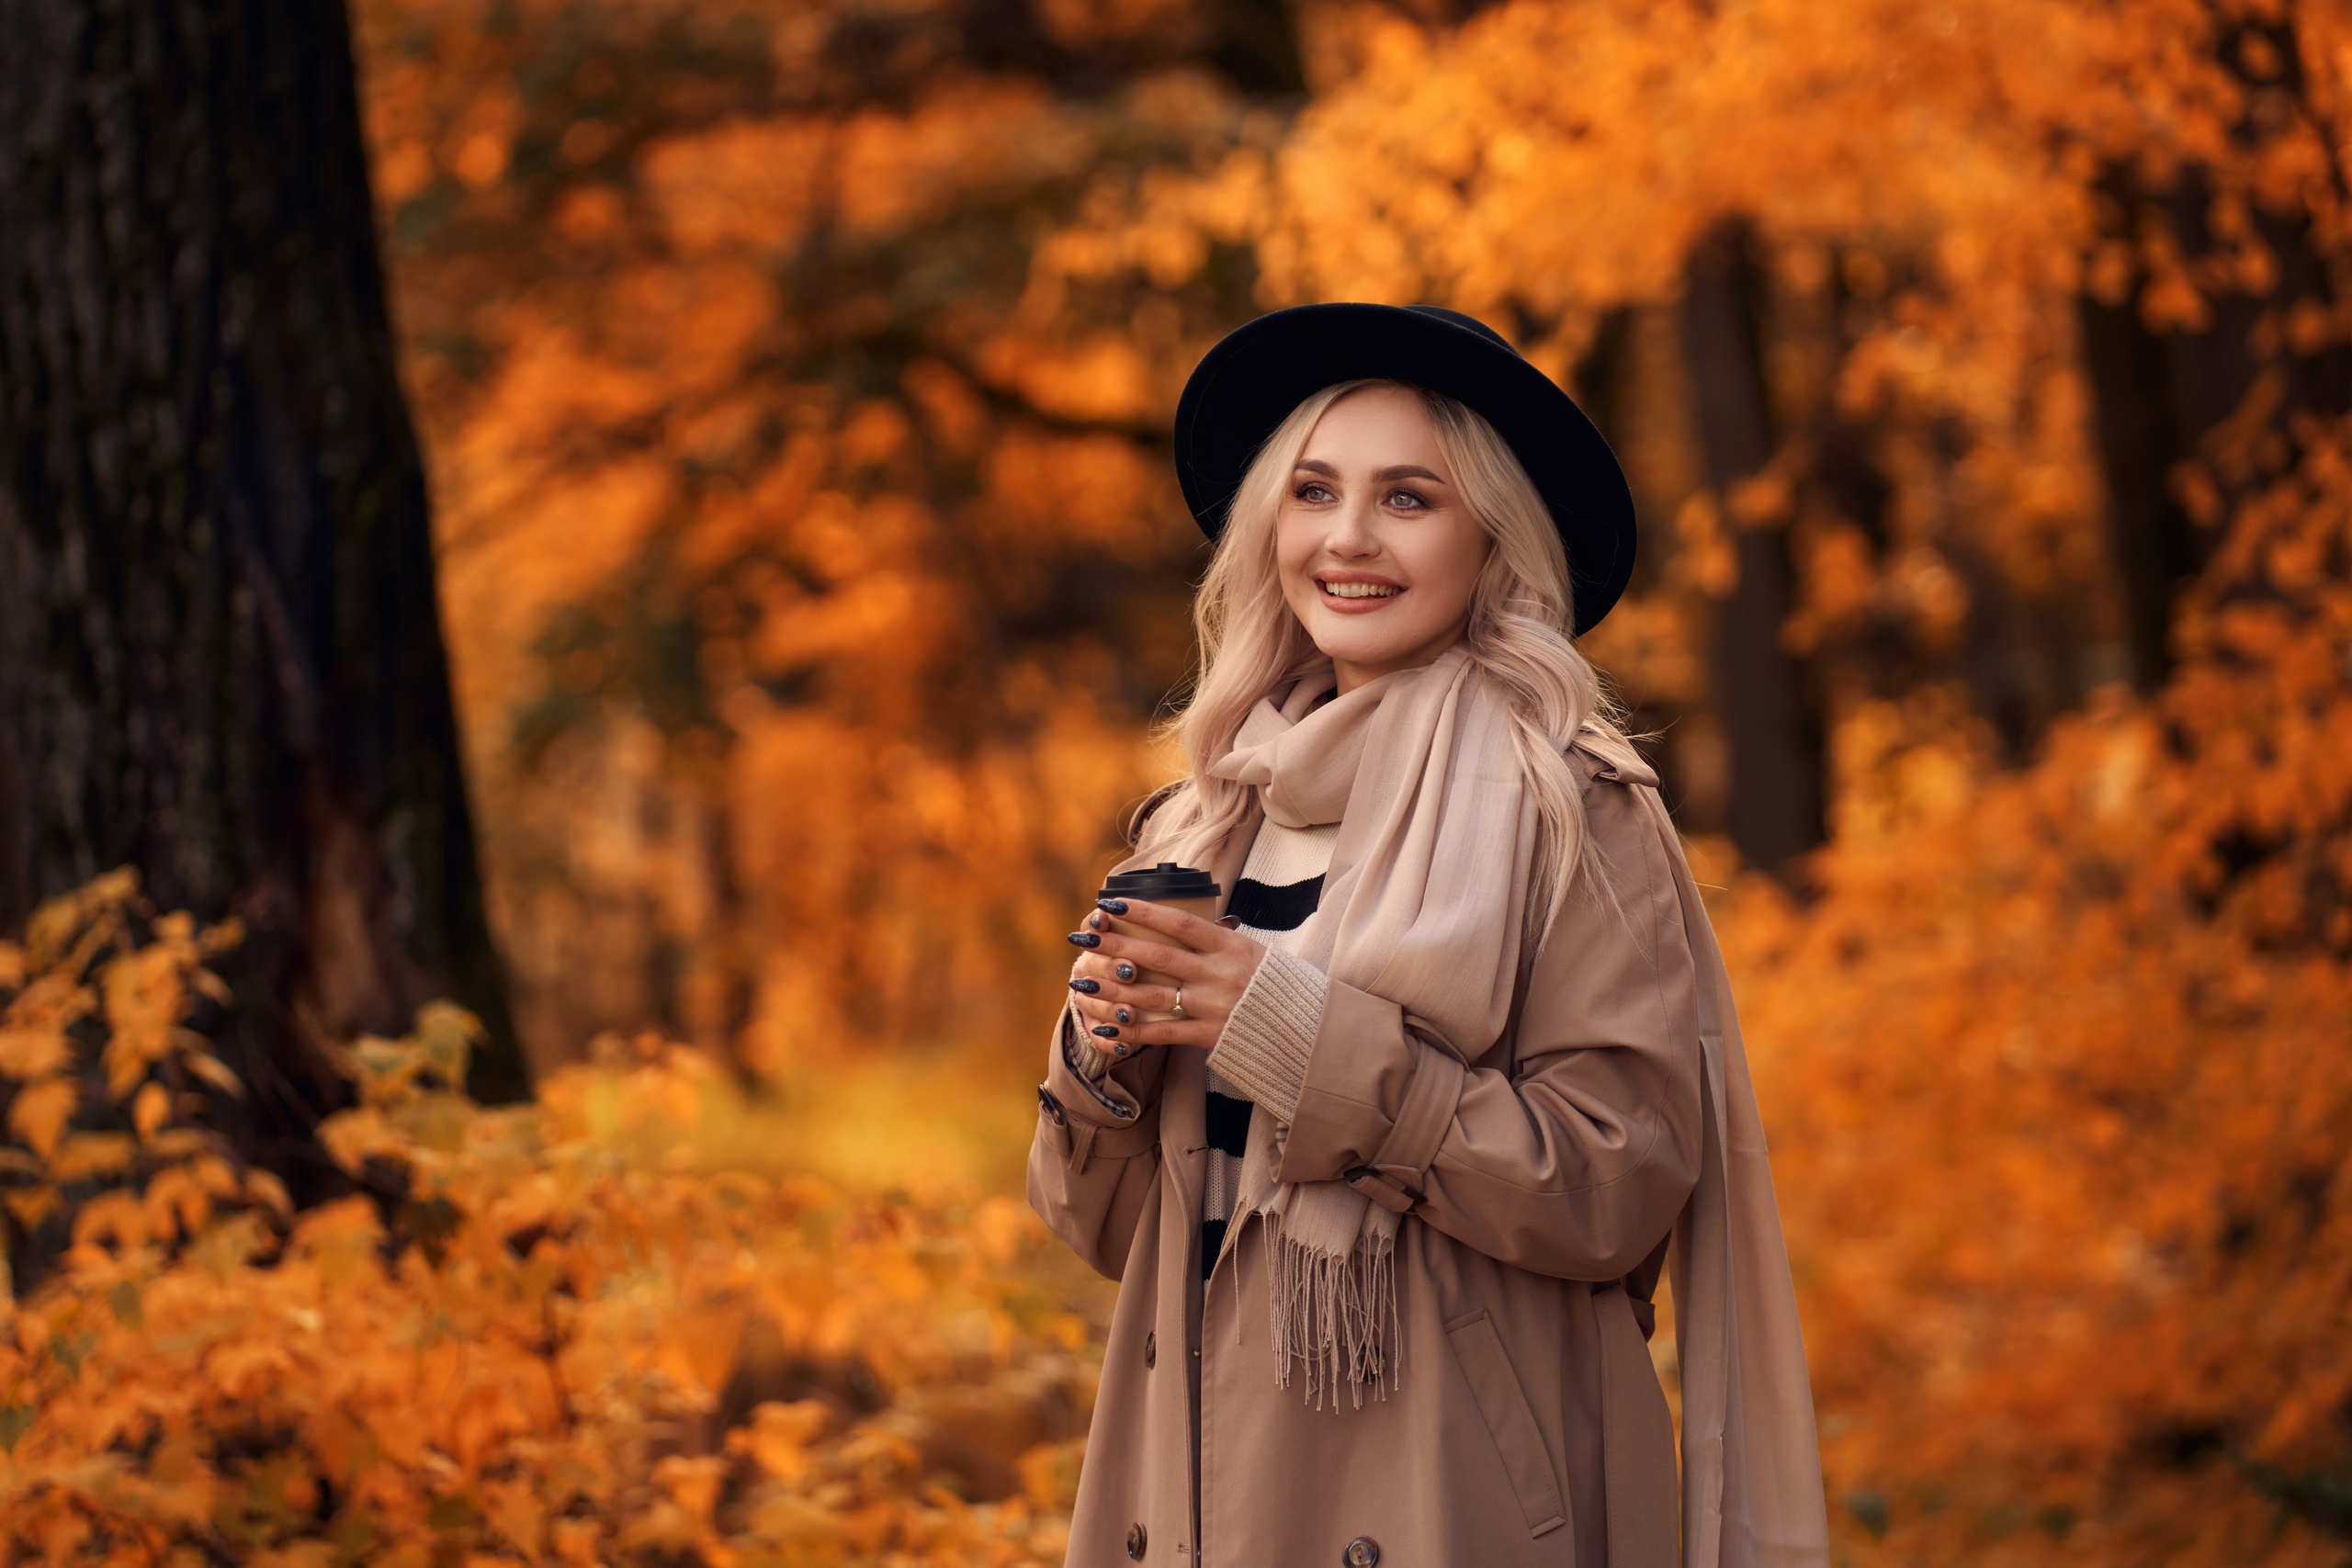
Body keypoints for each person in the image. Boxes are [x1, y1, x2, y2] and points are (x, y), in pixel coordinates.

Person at [1029, 303, 1827, 1568]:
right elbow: (1119, 1238)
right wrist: (1099, 1061)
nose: (1347, 539)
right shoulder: (1212, 815)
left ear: (1490, 540)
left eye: (1409, 498)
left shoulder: (1571, 805)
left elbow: (1617, 1185)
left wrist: (1294, 1039)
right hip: (1192, 1496)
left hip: (1456, 1500)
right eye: (1313, 492)